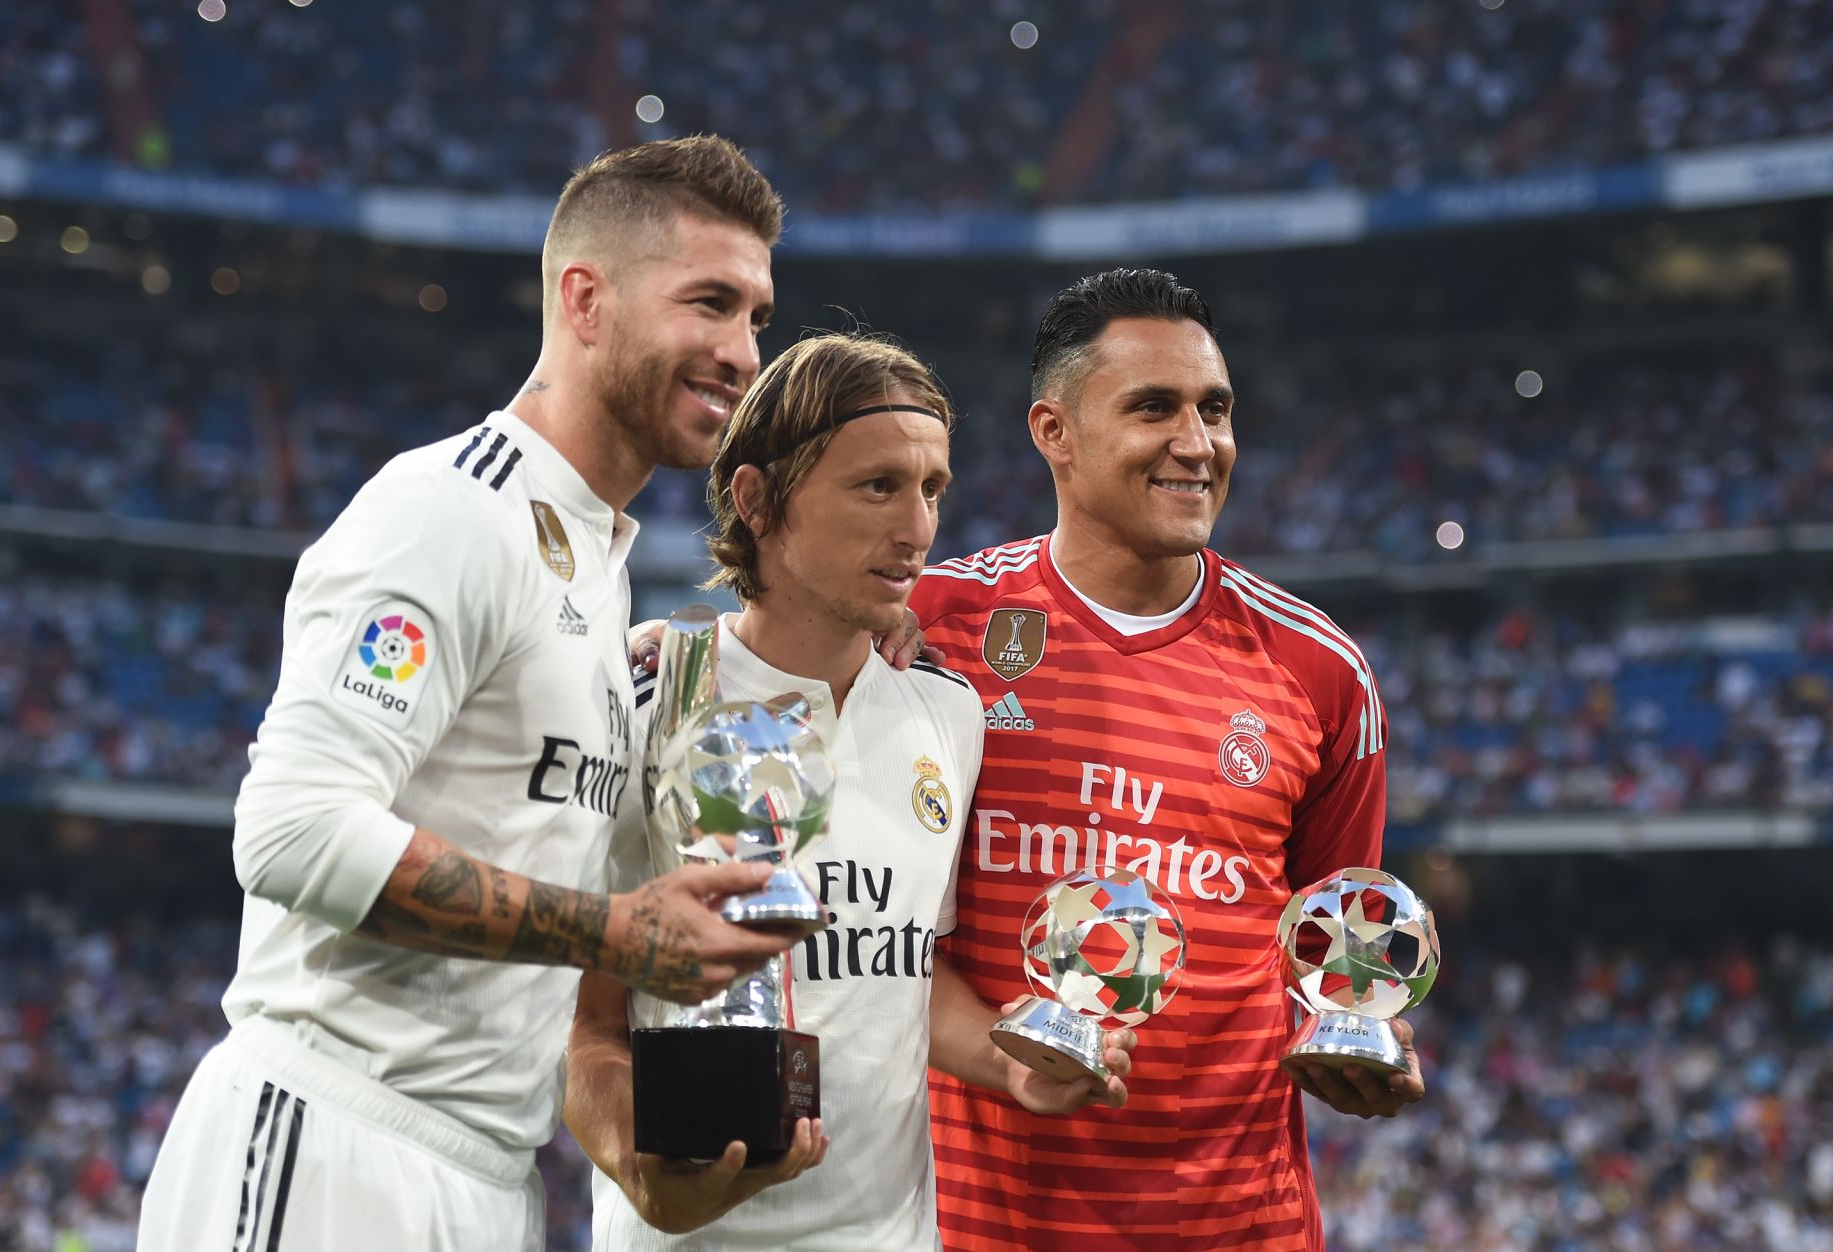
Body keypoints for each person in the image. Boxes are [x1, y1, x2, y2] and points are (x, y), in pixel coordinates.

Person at [137, 136, 801, 1252]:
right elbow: (293, 830)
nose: (742, 352)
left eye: (757, 318)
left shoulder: (596, 556)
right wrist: (616, 932)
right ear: (584, 299)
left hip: (486, 1173)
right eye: (710, 303)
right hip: (333, 1145)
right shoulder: (447, 511)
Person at [569, 332, 1133, 1252]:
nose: (916, 527)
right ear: (757, 499)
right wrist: (639, 1167)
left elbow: (902, 968)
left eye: (933, 490)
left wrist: (1008, 1063)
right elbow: (582, 1018)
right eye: (877, 486)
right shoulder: (649, 694)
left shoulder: (949, 714)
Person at [911, 269, 1425, 1252]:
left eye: (1215, 409)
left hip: (1237, 1228)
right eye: (1154, 408)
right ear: (1053, 431)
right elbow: (887, 941)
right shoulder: (934, 630)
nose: (1198, 443)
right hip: (984, 1227)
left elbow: (1337, 951)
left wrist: (1367, 1043)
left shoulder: (1320, 671)